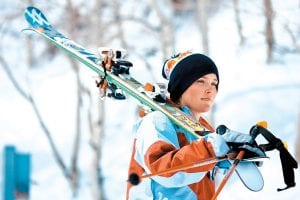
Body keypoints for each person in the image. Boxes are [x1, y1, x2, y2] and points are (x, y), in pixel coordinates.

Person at [126, 51, 264, 200]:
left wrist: (233, 153)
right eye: (201, 81)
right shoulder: (157, 120)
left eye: (214, 83)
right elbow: (163, 170)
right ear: (182, 85)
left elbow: (198, 167)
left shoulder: (203, 130)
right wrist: (210, 149)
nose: (210, 89)